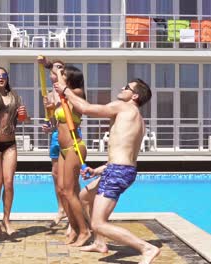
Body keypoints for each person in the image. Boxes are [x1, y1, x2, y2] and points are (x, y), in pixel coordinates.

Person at [54, 78, 160, 263]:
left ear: (134, 95)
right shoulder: (138, 119)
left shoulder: (123, 107)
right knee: (84, 197)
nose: (122, 87)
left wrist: (65, 90)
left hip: (118, 172)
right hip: (119, 169)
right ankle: (100, 243)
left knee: (98, 223)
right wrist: (98, 170)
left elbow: (86, 109)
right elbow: (125, 152)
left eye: (127, 87)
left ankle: (147, 248)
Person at [0, 66, 27, 236]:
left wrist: (24, 115)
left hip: (10, 144)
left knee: (9, 183)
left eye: (4, 75)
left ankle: (6, 218)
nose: (1, 78)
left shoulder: (16, 97)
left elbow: (23, 119)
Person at [54, 65, 91, 246]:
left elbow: (63, 88)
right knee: (62, 190)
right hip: (62, 149)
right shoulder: (64, 96)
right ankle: (76, 227)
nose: (60, 77)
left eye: (63, 75)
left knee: (69, 192)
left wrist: (56, 70)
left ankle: (84, 231)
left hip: (74, 148)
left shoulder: (77, 93)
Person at [37, 57, 67, 227]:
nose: (56, 71)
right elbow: (51, 121)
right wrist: (48, 125)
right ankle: (61, 209)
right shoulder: (48, 95)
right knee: (55, 175)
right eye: (54, 69)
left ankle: (73, 212)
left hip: (69, 135)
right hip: (56, 134)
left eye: (60, 68)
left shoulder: (70, 90)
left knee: (69, 177)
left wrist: (48, 64)